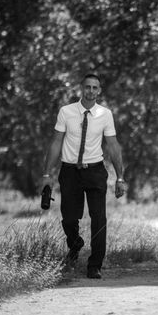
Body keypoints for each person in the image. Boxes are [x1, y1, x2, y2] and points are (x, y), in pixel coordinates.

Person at [41, 73, 126, 279]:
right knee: (69, 218)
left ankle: (94, 265)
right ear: (81, 89)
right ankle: (75, 242)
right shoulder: (66, 112)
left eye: (95, 87)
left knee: (99, 219)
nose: (91, 91)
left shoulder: (105, 114)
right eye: (87, 87)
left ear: (99, 91)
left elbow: (113, 146)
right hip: (69, 171)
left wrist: (120, 177)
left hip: (95, 171)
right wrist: (46, 174)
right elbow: (56, 142)